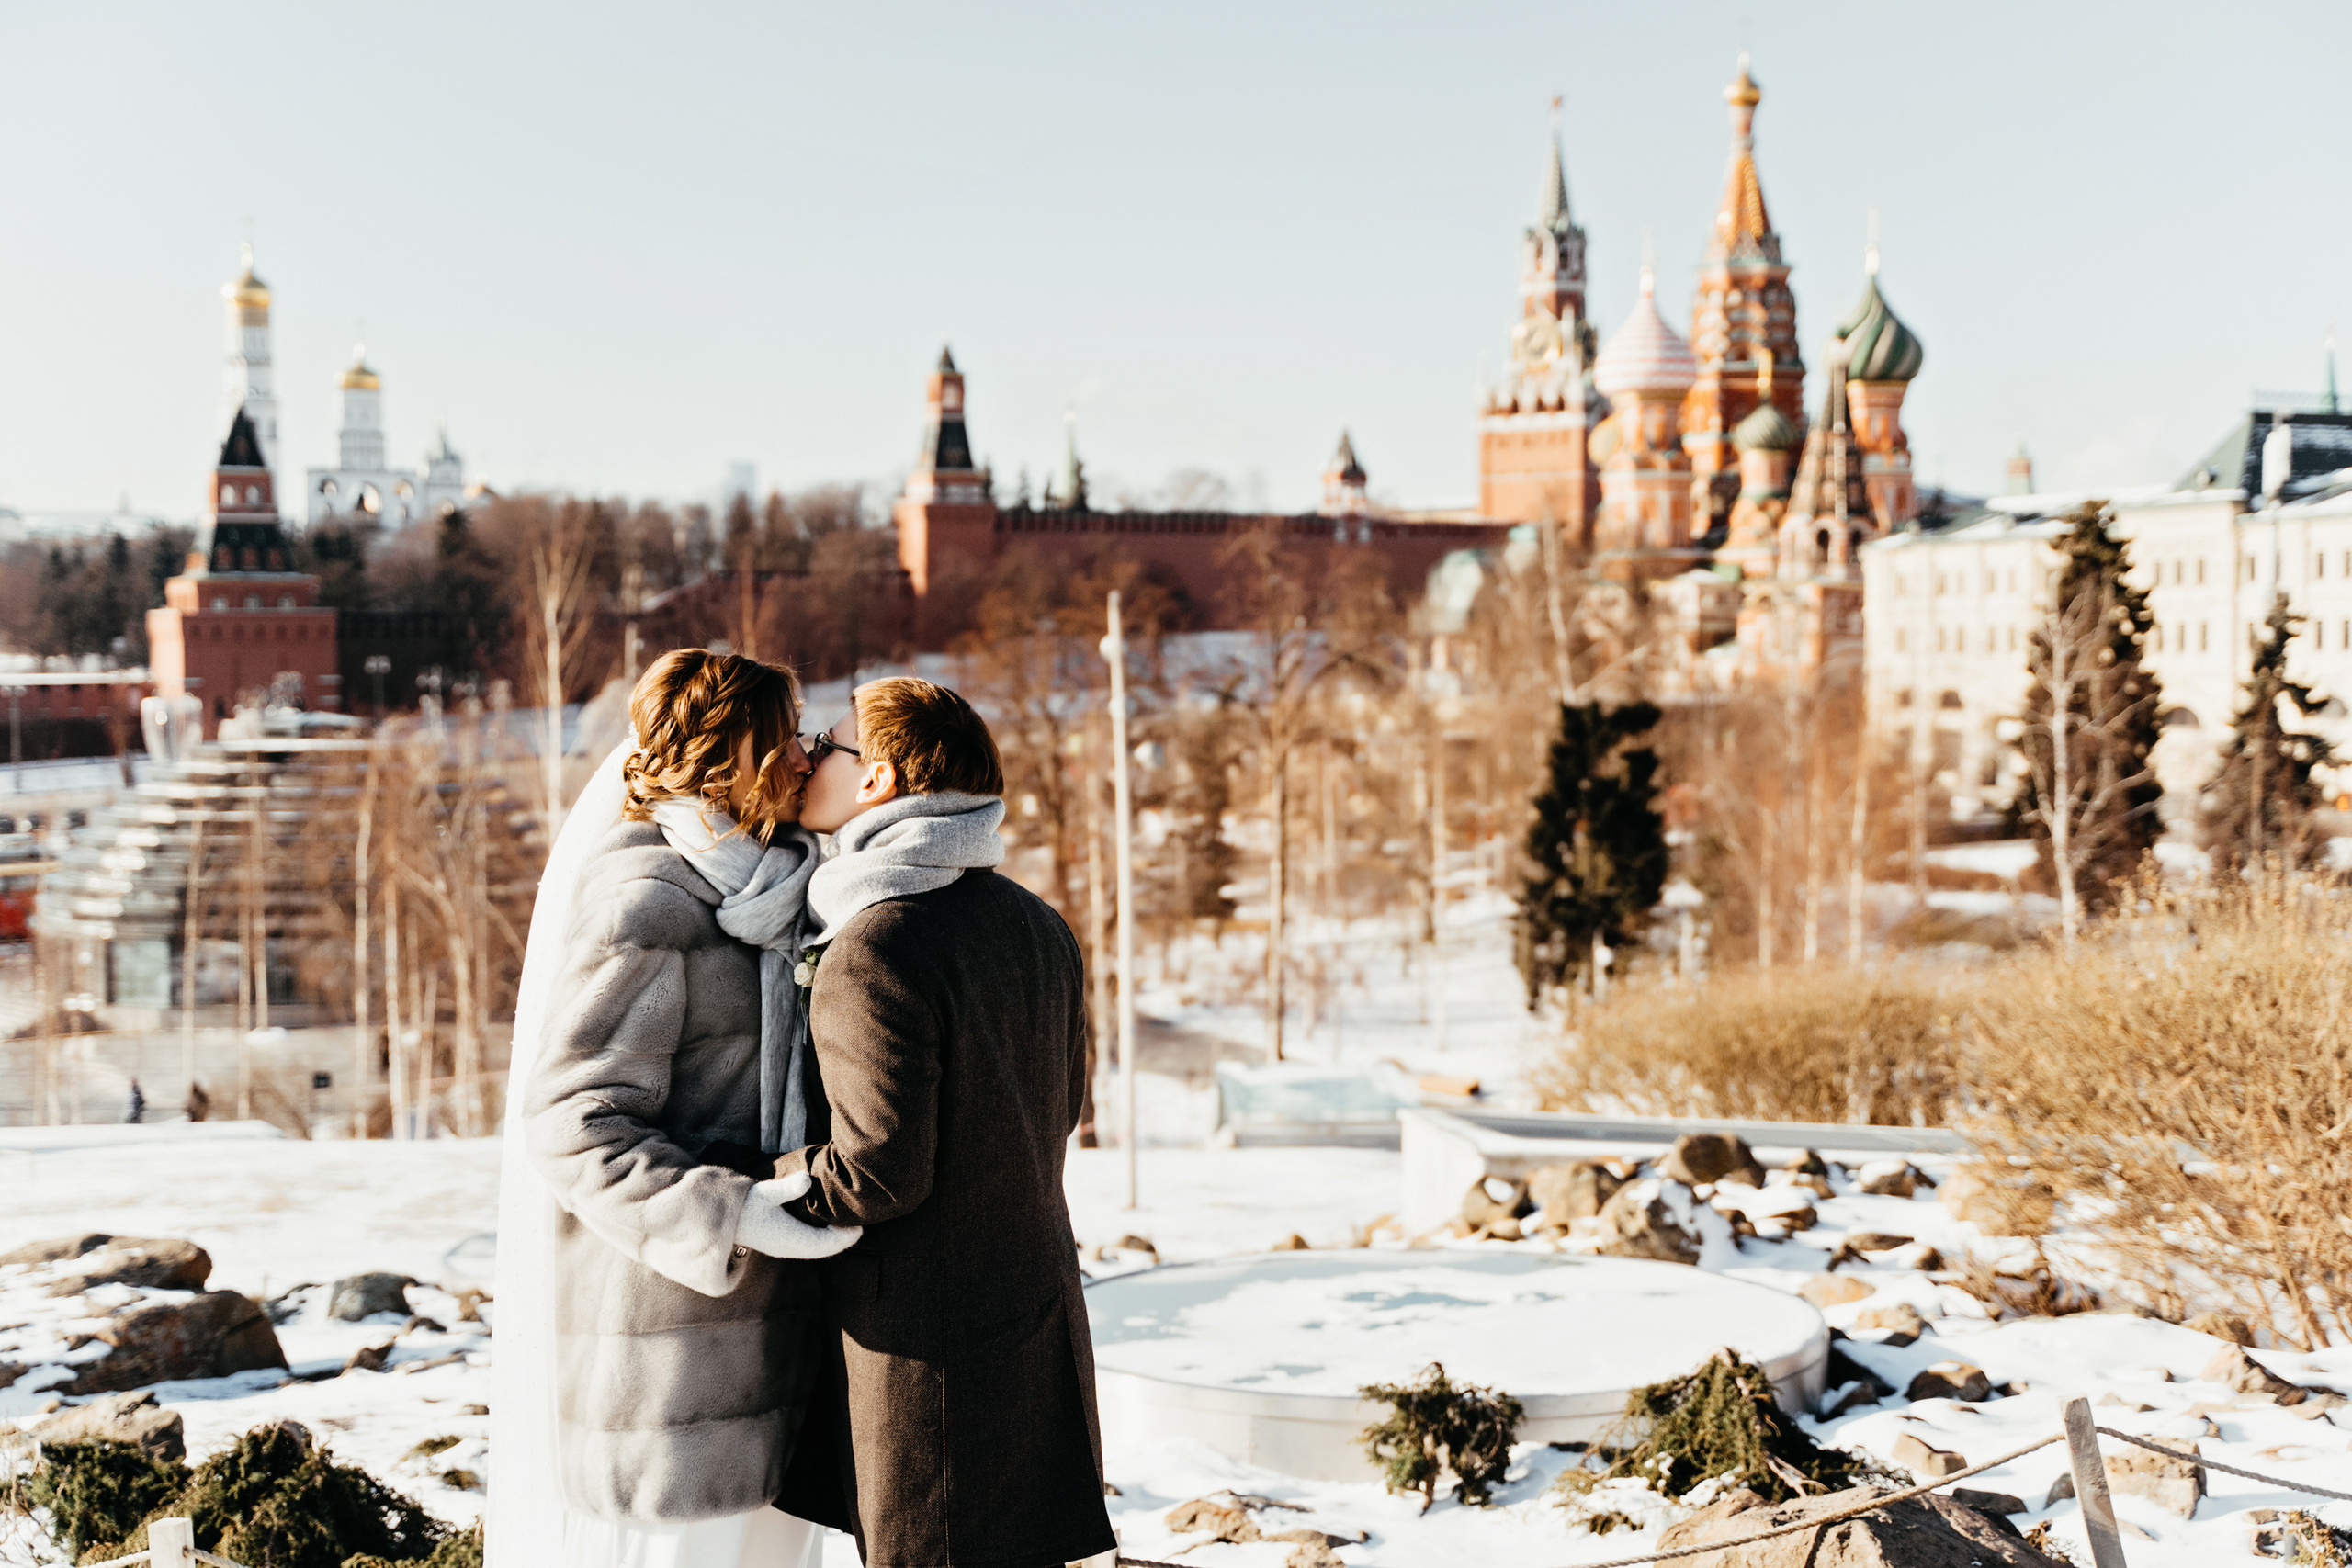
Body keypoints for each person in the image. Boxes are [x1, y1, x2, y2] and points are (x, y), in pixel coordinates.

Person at [490, 649, 863, 1568]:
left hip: (781, 1347)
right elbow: (572, 1121)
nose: (805, 755)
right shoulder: (649, 902)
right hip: (670, 1363)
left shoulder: (784, 892)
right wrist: (729, 1213)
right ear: (727, 757)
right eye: (784, 738)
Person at [769, 677, 1117, 1568]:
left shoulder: (873, 945)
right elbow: (1060, 1112)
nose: (806, 757)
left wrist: (749, 1179)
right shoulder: (1039, 924)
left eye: (826, 743)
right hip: (1035, 1322)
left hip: (928, 1362)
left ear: (877, 778)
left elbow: (876, 1174)